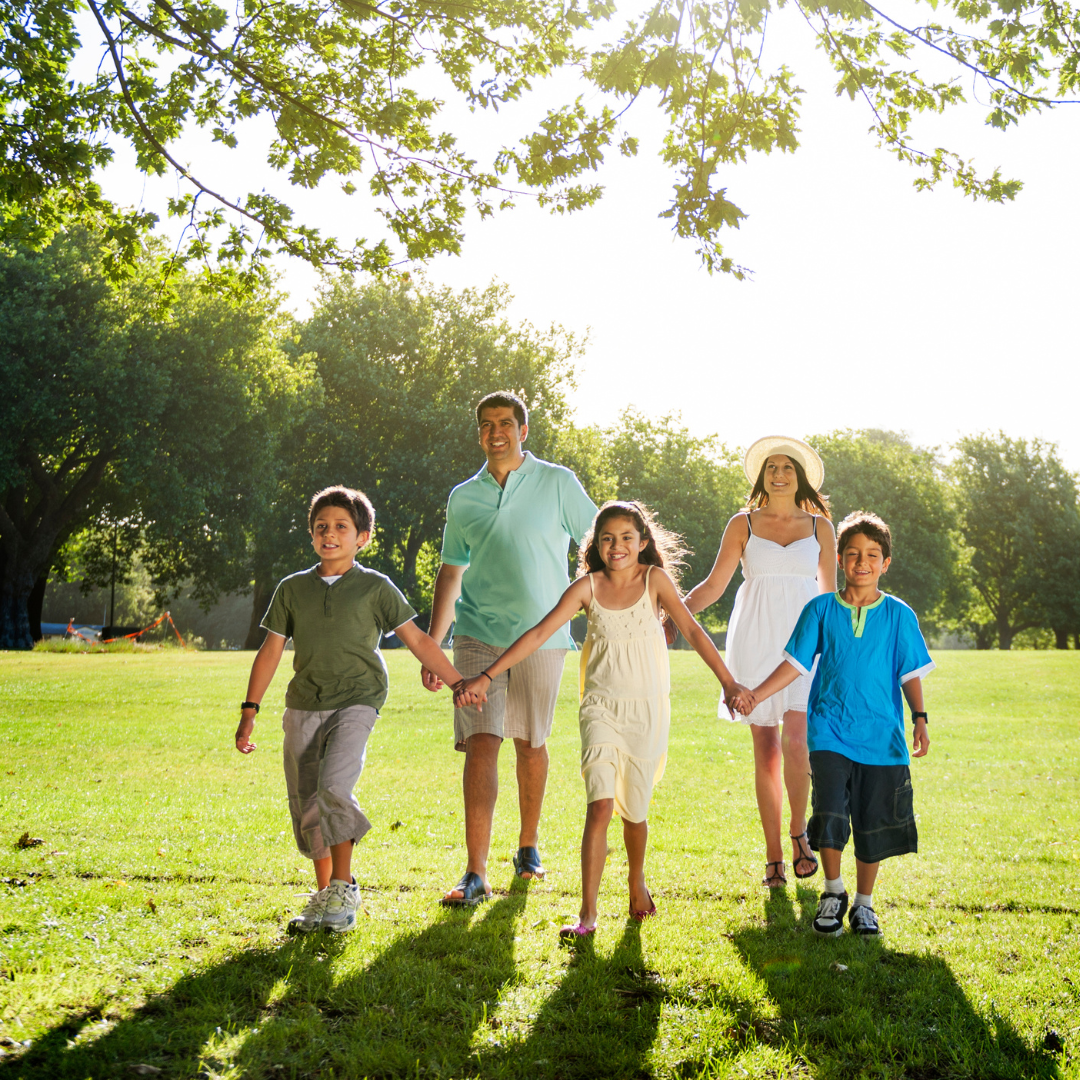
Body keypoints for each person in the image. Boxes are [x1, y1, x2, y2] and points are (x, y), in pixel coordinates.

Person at [456, 501, 752, 938]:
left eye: (627, 538)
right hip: (600, 709)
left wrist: (729, 683)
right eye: (608, 539)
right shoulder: (587, 587)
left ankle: (637, 882)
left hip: (647, 709)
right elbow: (540, 633)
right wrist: (486, 675)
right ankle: (588, 914)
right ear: (597, 545)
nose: (617, 546)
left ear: (643, 543)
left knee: (635, 812)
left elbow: (692, 630)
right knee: (599, 806)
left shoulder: (655, 581)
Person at [234, 485, 467, 934]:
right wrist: (250, 709)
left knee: (334, 786)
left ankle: (343, 887)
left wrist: (457, 682)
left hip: (358, 699)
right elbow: (270, 650)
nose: (330, 534)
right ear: (311, 534)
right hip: (304, 701)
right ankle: (326, 896)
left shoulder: (375, 587)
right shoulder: (292, 589)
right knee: (305, 802)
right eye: (321, 527)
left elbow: (416, 638)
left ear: (362, 536)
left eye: (342, 526)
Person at [422, 391, 597, 906]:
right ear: (479, 433)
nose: (495, 432)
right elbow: (451, 571)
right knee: (482, 741)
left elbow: (598, 543)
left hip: (543, 637)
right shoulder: (464, 496)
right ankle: (475, 872)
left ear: (523, 429)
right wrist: (436, 646)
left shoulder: (557, 482)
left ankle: (527, 846)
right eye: (485, 424)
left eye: (504, 422)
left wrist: (600, 604)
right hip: (477, 634)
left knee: (530, 743)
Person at [731, 511, 933, 937]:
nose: (863, 562)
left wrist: (920, 717)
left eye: (872, 555)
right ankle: (832, 891)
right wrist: (755, 695)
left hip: (882, 738)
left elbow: (909, 671)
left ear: (885, 563)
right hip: (829, 732)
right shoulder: (820, 609)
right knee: (831, 812)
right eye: (854, 554)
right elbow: (793, 666)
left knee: (872, 821)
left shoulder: (899, 615)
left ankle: (864, 904)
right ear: (839, 560)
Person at [670, 436, 836, 888]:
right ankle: (774, 856)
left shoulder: (822, 527)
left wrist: (840, 646)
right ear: (762, 477)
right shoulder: (741, 523)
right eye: (770, 468)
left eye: (786, 467)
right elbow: (715, 584)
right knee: (766, 751)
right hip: (755, 639)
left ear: (799, 475)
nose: (778, 474)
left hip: (807, 643)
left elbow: (830, 596)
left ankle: (800, 831)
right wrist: (674, 610)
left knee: (798, 741)